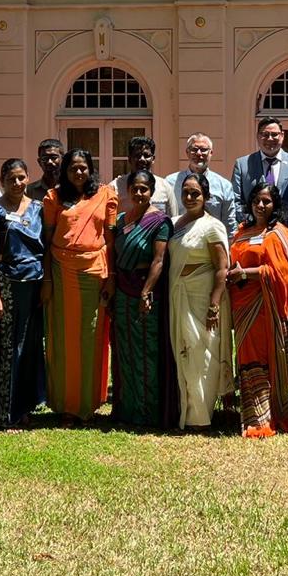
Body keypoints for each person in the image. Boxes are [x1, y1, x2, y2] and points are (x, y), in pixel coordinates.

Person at [41, 148, 118, 421]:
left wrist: (111, 278)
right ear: (65, 170)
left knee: (91, 336)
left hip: (94, 272)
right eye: (73, 167)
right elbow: (47, 243)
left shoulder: (105, 195)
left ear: (91, 168)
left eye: (84, 167)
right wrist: (48, 279)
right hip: (62, 272)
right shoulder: (53, 198)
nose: (79, 172)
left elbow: (110, 239)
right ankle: (65, 405)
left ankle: (88, 404)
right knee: (63, 337)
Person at [157, 168, 232, 429]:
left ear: (206, 196)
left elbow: (222, 268)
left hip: (202, 299)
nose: (189, 197)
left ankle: (200, 416)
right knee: (182, 351)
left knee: (202, 354)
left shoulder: (212, 226)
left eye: (195, 193)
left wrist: (214, 304)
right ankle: (183, 410)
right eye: (186, 193)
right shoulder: (175, 222)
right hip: (178, 294)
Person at [228, 182, 288, 437]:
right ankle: (250, 415)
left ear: (275, 205)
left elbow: (282, 273)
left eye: (267, 201)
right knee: (246, 357)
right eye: (256, 200)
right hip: (242, 305)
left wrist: (245, 273)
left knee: (264, 358)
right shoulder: (242, 231)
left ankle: (265, 418)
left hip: (266, 307)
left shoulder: (279, 233)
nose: (261, 205)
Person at [0, 158, 47, 428]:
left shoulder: (38, 208)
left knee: (31, 346)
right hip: (7, 284)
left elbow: (47, 248)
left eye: (21, 177)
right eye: (11, 178)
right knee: (8, 348)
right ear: (2, 181)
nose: (17, 183)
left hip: (35, 284)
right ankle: (3, 412)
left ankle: (26, 407)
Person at [109, 169, 175, 428]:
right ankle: (126, 408)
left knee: (146, 349)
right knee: (124, 349)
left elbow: (159, 260)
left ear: (152, 192)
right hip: (122, 290)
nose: (138, 193)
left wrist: (146, 291)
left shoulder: (160, 222)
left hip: (145, 292)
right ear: (128, 190)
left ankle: (147, 411)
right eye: (134, 188)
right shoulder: (122, 219)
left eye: (143, 189)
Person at [231, 117, 288, 225]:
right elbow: (235, 201)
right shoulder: (243, 165)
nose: (270, 139)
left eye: (274, 134)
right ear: (258, 136)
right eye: (265, 134)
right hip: (253, 231)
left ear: (282, 136)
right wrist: (253, 223)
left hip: (287, 230)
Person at [166, 132, 237, 228]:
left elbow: (229, 224)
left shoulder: (224, 186)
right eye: (194, 149)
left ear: (211, 153)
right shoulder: (170, 183)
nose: (199, 153)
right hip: (179, 239)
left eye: (203, 150)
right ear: (187, 152)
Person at [111, 135, 174, 213]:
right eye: (137, 155)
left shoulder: (164, 186)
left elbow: (172, 219)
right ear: (130, 159)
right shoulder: (115, 187)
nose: (142, 159)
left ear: (153, 159)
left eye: (146, 155)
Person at [27, 138, 65, 203]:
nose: (49, 162)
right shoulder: (29, 191)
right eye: (45, 158)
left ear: (63, 160)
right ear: (39, 162)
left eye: (54, 157)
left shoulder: (72, 188)